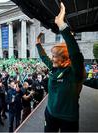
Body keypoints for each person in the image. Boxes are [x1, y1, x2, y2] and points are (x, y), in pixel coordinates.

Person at [36, 2, 86, 132]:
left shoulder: (74, 73)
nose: (51, 58)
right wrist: (38, 44)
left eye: (54, 56)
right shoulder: (54, 68)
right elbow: (44, 58)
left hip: (68, 119)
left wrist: (62, 26)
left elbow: (75, 54)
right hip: (50, 114)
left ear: (64, 58)